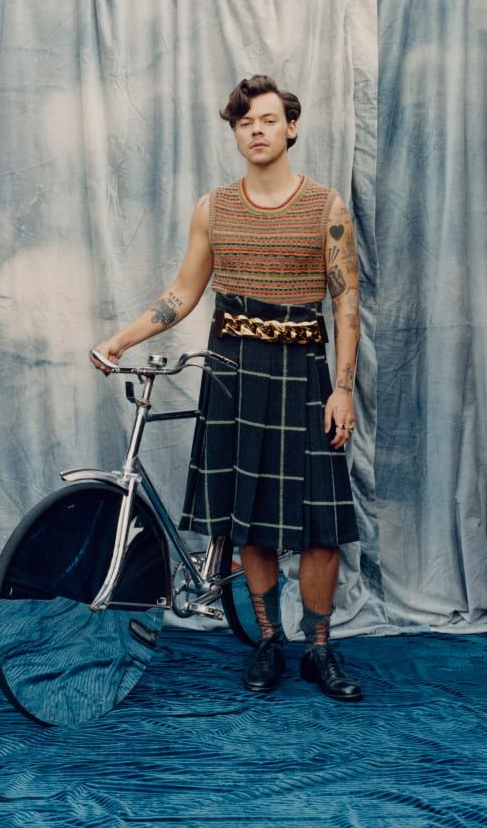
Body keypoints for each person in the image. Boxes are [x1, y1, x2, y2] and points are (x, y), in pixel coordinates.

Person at [92, 75, 362, 701]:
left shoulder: (326, 208)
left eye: (268, 120)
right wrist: (120, 340)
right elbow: (182, 293)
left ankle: (319, 649)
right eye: (245, 123)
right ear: (236, 134)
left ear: (290, 127)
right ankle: (269, 640)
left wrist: (343, 388)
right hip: (233, 370)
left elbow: (347, 303)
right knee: (251, 521)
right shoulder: (213, 208)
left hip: (304, 371)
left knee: (321, 525)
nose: (257, 131)